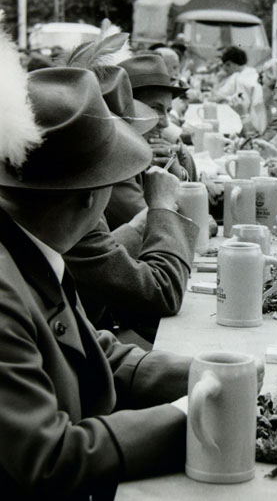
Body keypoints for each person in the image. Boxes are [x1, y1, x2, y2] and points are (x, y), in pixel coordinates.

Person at [0, 49, 193, 501]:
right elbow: (49, 459)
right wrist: (193, 414)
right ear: (92, 196)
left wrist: (205, 373)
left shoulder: (31, 248)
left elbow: (91, 349)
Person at [62, 66, 198, 347]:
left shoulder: (68, 202)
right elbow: (163, 293)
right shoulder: (77, 207)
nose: (161, 123)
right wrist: (161, 206)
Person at [105, 53, 197, 228]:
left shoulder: (140, 152)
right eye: (154, 109)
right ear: (125, 111)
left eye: (167, 110)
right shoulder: (117, 160)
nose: (165, 122)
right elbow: (160, 229)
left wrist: (178, 175)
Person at [212, 45, 266, 134]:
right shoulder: (252, 72)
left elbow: (243, 104)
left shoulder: (241, 79)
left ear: (229, 63)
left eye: (225, 66)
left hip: (252, 121)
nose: (224, 70)